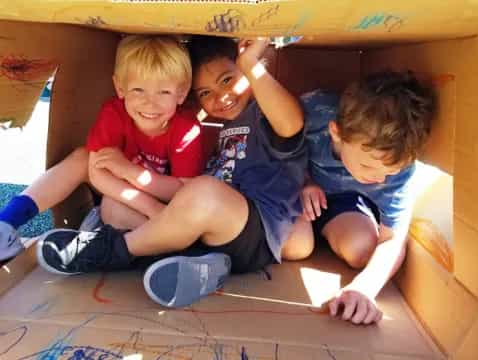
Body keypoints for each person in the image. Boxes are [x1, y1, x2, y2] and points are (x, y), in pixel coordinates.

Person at [35, 35, 313, 308]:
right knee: (113, 207)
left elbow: (291, 126)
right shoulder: (222, 129)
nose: (221, 97)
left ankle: (108, 251)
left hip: (252, 231)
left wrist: (250, 63)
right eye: (205, 93)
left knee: (203, 190)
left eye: (228, 79)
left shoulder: (263, 114)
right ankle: (199, 267)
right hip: (206, 233)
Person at [0, 35, 204, 261]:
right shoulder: (114, 113)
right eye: (138, 90)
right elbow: (97, 173)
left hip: (165, 212)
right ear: (120, 87)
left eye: (163, 92)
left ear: (182, 93)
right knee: (82, 158)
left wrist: (129, 172)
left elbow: (183, 191)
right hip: (127, 196)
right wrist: (149, 206)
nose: (150, 102)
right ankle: (6, 224)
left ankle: (175, 253)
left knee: (112, 208)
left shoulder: (186, 128)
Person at [300, 71, 435, 325]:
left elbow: (392, 239)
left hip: (343, 206)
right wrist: (303, 181)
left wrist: (363, 289)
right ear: (336, 133)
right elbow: (276, 140)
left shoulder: (402, 168)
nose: (382, 180)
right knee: (296, 243)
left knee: (361, 250)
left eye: (391, 171)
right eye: (370, 166)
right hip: (295, 191)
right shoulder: (313, 111)